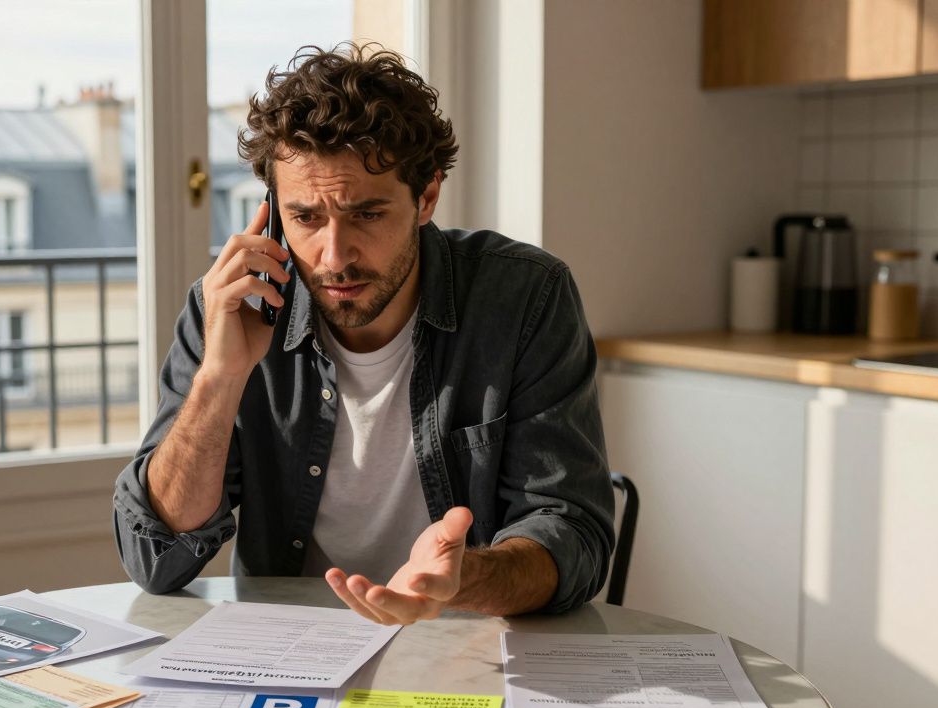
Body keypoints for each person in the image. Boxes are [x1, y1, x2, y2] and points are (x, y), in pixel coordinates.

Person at [113, 43, 613, 625]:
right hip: (288, 657)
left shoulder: (525, 297)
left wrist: (461, 579)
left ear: (426, 196)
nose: (334, 256)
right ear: (272, 212)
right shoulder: (228, 308)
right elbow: (155, 559)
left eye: (366, 215)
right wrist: (220, 379)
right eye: (305, 218)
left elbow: (574, 534)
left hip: (466, 646)